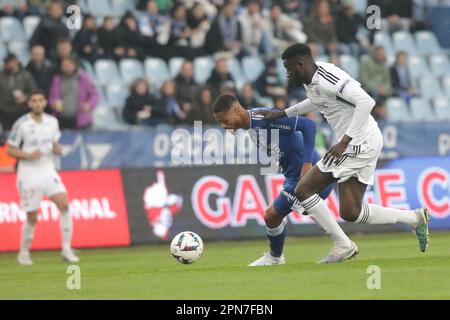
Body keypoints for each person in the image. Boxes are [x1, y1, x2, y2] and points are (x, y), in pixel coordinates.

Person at [256, 43, 429, 254]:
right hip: (364, 140)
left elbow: (366, 102)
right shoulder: (311, 80)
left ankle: (343, 245)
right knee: (351, 211)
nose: (288, 74)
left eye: (289, 69)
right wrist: (282, 114)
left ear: (301, 64)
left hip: (358, 142)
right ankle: (415, 218)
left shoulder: (329, 78)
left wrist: (344, 142)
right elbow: (314, 101)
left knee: (303, 189)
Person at [212, 94, 357, 265]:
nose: (223, 125)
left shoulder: (265, 119)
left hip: (306, 174)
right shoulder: (251, 125)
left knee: (275, 213)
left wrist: (306, 164)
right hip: (292, 176)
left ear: (236, 111)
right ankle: (276, 257)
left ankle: (342, 244)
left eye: (224, 119)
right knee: (273, 217)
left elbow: (308, 126)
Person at [7, 90, 79, 265]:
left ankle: (67, 249)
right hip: (29, 173)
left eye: (40, 100)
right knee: (32, 216)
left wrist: (58, 149)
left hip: (48, 169)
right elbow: (10, 148)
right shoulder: (22, 124)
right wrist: (27, 155)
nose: (37, 104)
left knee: (64, 204)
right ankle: (23, 253)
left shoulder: (52, 122)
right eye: (34, 101)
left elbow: (55, 143)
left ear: (45, 102)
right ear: (29, 104)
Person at [48, 57, 99, 130]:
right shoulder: (57, 79)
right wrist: (54, 104)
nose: (66, 67)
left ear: (75, 65)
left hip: (81, 119)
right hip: (61, 118)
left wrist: (89, 104)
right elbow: (52, 98)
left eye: (69, 64)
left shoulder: (84, 78)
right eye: (64, 65)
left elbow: (95, 94)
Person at [0, 54, 37, 130]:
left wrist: (25, 97)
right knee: (5, 137)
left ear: (16, 62)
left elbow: (34, 92)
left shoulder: (25, 75)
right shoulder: (1, 75)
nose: (9, 65)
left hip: (21, 111)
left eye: (10, 62)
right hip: (3, 112)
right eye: (7, 63)